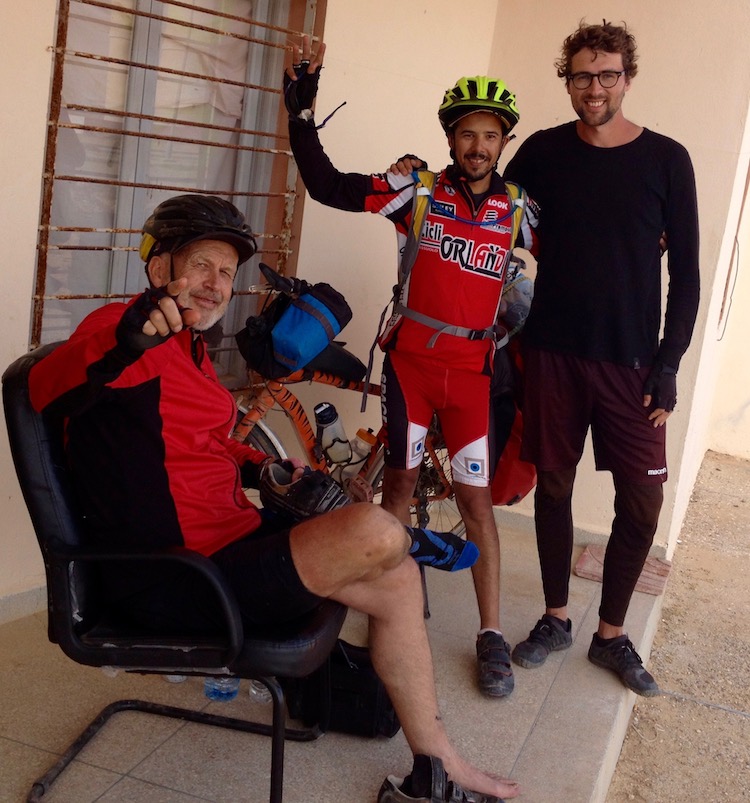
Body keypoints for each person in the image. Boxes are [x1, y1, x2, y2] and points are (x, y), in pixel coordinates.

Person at [28, 193, 520, 802]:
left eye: (227, 273)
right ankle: (411, 539)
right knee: (374, 531)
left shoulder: (191, 349)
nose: (216, 284)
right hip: (174, 579)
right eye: (202, 265)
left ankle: (438, 761)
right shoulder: (116, 333)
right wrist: (125, 343)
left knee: (398, 582)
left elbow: (206, 441)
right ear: (160, 270)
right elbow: (43, 389)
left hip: (226, 546)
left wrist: (267, 467)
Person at [284, 36, 538, 699]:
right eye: (466, 133)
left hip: (472, 379)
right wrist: (301, 120)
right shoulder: (416, 190)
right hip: (413, 372)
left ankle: (490, 634)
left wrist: (645, 234)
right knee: (396, 492)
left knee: (477, 502)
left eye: (490, 134)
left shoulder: (519, 210)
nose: (478, 145)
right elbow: (329, 186)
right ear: (451, 139)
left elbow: (584, 253)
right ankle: (387, 603)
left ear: (503, 141)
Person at [500, 20, 700, 696]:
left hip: (632, 363)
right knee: (553, 488)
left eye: (607, 74)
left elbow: (689, 276)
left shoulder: (667, 160)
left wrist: (668, 364)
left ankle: (611, 634)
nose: (595, 87)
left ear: (627, 78)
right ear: (568, 79)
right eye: (582, 75)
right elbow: (493, 215)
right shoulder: (542, 154)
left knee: (642, 502)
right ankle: (556, 616)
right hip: (552, 351)